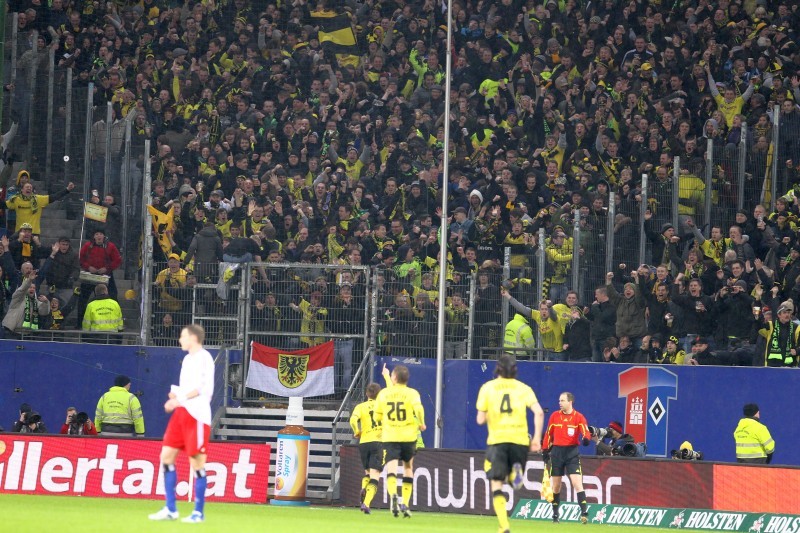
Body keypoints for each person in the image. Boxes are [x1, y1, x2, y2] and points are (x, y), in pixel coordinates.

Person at [149, 324, 215, 523]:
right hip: (181, 413)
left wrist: (179, 399)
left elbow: (201, 389)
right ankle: (171, 508)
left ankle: (198, 512)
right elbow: (188, 388)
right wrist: (176, 394)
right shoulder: (187, 359)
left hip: (197, 415)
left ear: (193, 338)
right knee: (166, 457)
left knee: (197, 463)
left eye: (183, 336)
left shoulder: (204, 357)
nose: (180, 340)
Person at [476, 355, 544, 533]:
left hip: (498, 440)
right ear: (515, 370)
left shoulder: (488, 388)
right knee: (513, 479)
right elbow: (539, 412)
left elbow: (480, 419)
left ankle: (504, 525)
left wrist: (492, 413)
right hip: (520, 440)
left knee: (496, 482)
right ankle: (515, 475)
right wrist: (536, 439)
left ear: (497, 369)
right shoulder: (523, 388)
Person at [374, 364, 426, 519]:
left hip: (390, 436)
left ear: (394, 378)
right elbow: (419, 409)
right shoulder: (412, 393)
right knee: (408, 468)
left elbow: (376, 416)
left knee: (392, 468)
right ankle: (406, 502)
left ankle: (393, 496)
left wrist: (384, 421)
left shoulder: (384, 394)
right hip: (408, 436)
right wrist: (422, 423)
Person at [543, 392, 591, 524]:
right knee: (556, 486)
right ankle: (555, 515)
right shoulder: (554, 416)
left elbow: (586, 432)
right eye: (559, 400)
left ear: (570, 402)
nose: (559, 403)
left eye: (562, 400)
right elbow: (548, 434)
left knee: (577, 483)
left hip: (571, 453)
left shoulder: (578, 417)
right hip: (557, 453)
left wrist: (586, 439)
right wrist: (545, 450)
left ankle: (584, 512)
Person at [350, 382, 383, 514]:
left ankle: (364, 486)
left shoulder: (360, 407)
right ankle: (366, 503)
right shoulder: (383, 406)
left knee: (367, 473)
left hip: (364, 443)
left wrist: (356, 431)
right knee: (375, 475)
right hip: (378, 442)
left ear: (366, 394)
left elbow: (353, 420)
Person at [2, 268, 50, 335]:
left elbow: (43, 312)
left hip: (25, 333)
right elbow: (21, 290)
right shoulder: (18, 297)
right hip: (10, 331)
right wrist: (29, 280)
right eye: (30, 287)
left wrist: (46, 302)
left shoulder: (35, 301)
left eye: (34, 288)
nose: (32, 289)